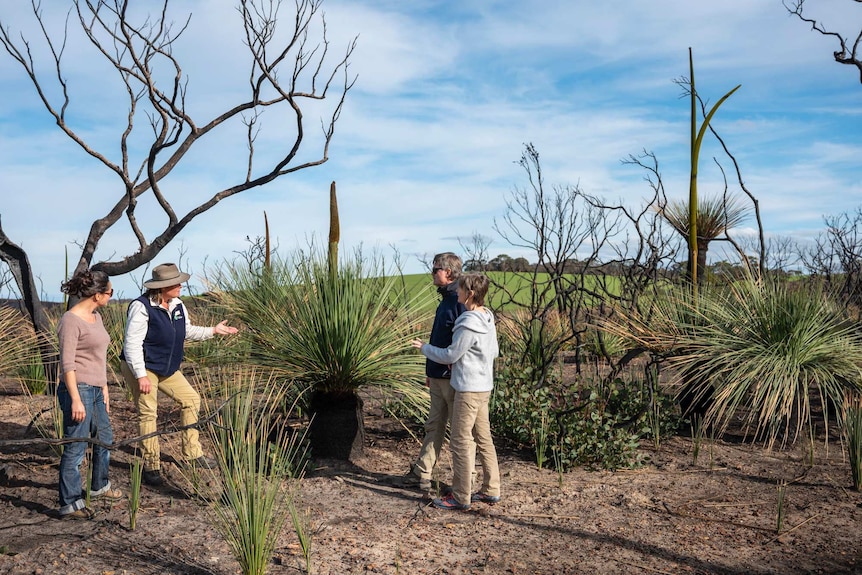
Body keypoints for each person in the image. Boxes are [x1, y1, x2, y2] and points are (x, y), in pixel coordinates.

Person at [121, 262, 238, 487]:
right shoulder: (142, 306)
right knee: (148, 412)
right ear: (162, 287)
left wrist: (214, 330)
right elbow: (132, 344)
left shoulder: (177, 305)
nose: (181, 286)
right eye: (176, 283)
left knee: (191, 399)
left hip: (166, 367)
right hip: (142, 366)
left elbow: (186, 331)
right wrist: (140, 375)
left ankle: (192, 453)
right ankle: (151, 464)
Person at [411, 272, 501, 510]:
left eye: (460, 289)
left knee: (460, 440)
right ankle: (491, 489)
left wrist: (425, 348)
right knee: (484, 438)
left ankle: (461, 495)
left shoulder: (468, 322)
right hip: (484, 387)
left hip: (468, 389)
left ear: (470, 294)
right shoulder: (487, 319)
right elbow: (492, 353)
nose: (457, 292)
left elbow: (450, 354)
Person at [57, 269, 123, 519]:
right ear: (97, 295)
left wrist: (105, 387)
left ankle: (99, 486)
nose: (111, 297)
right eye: (110, 292)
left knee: (104, 437)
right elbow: (67, 364)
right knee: (76, 445)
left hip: (96, 388)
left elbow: (100, 358)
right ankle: (70, 502)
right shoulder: (70, 321)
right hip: (78, 388)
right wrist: (75, 398)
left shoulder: (97, 317)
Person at [399, 253, 466, 492]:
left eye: (435, 268)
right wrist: (431, 370)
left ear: (448, 271)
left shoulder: (460, 301)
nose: (432, 273)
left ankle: (465, 482)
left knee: (461, 431)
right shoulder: (447, 300)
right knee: (434, 425)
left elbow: (463, 341)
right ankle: (422, 473)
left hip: (453, 377)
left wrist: (451, 365)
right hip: (438, 374)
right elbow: (441, 337)